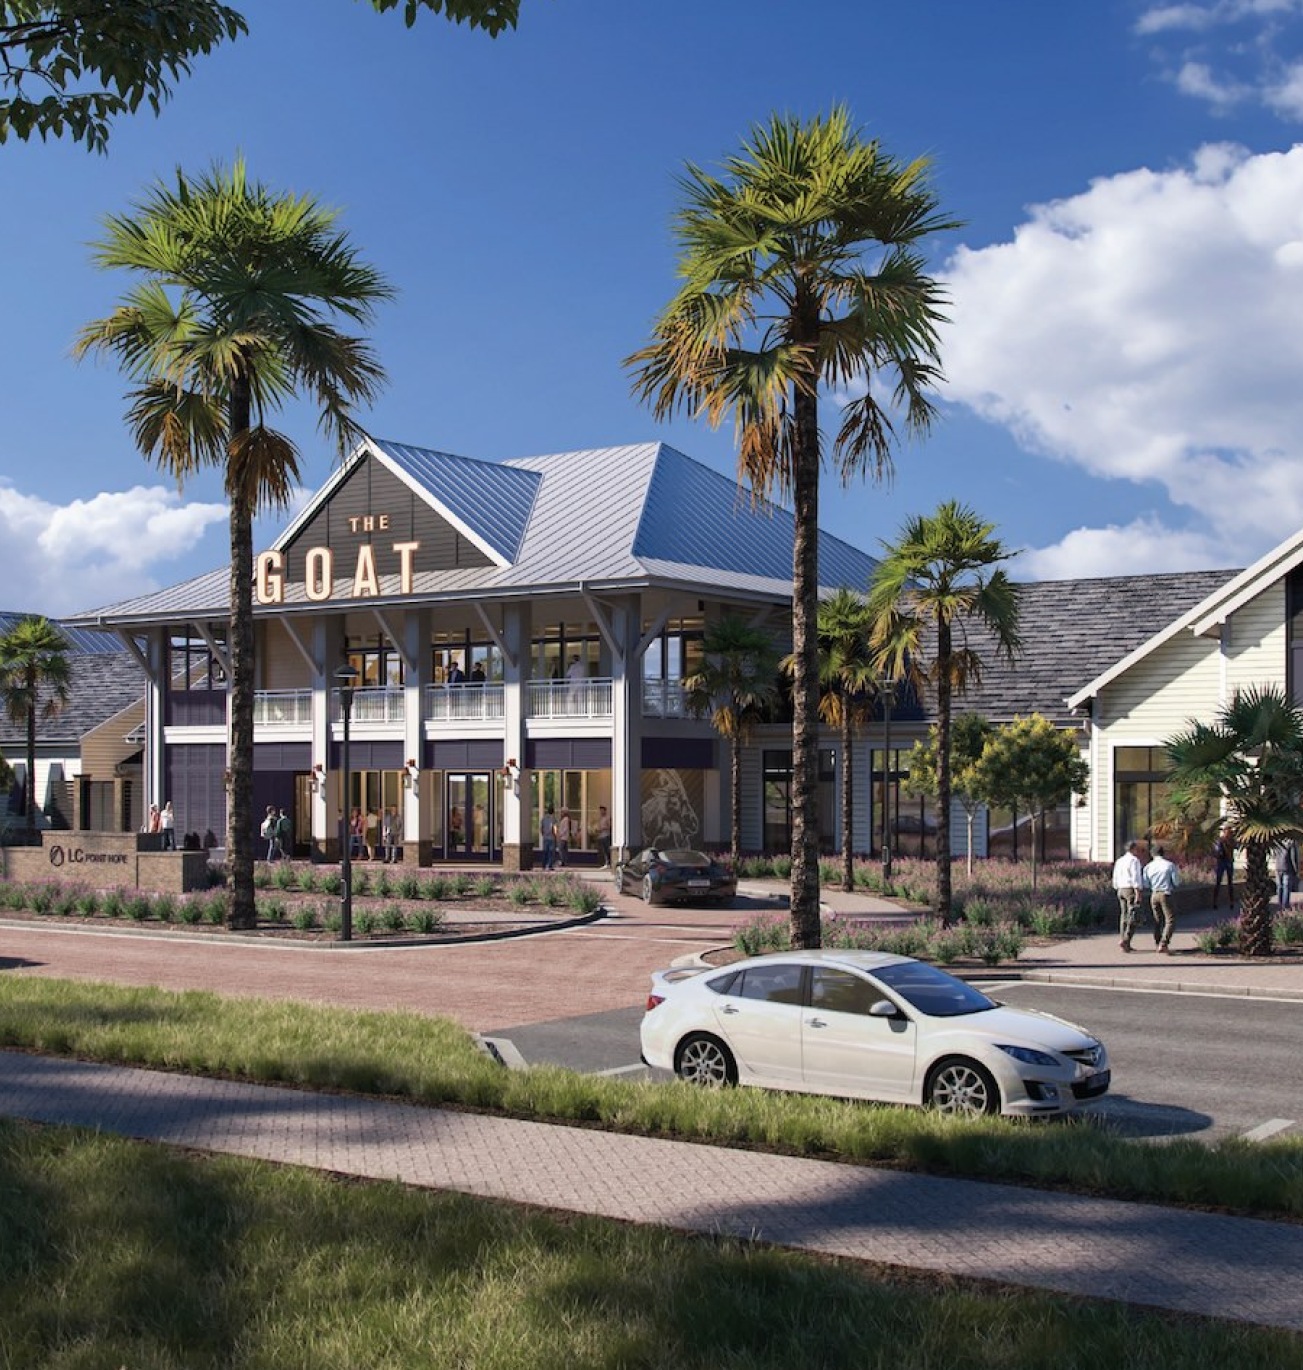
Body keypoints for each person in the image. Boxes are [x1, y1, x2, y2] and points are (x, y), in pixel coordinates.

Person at [1144, 844, 1180, 952]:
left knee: (1157, 919)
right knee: (1170, 919)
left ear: (1152, 854)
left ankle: (1157, 941)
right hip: (1166, 893)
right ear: (1163, 853)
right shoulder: (1169, 865)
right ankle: (1164, 942)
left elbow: (1146, 884)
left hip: (1154, 893)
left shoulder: (1148, 867)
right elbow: (1176, 882)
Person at [1112, 840, 1145, 952]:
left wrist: (1116, 886)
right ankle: (1126, 940)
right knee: (1133, 915)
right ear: (1133, 849)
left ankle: (1124, 939)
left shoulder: (1120, 860)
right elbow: (1135, 876)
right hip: (1130, 888)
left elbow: (1115, 875)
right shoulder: (1134, 861)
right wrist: (1138, 891)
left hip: (1120, 888)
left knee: (1124, 915)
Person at [1212, 827, 1236, 910]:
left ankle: (1231, 902)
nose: (1229, 834)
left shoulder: (1232, 841)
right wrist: (1220, 852)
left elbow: (1236, 846)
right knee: (1218, 882)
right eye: (1227, 832)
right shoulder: (1220, 841)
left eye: (1230, 833)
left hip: (1229, 861)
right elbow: (1216, 851)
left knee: (1230, 883)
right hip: (1221, 861)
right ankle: (1215, 902)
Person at [1274, 836, 1299, 911]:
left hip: (1278, 867)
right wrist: (1296, 870)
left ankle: (1279, 905)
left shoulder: (1277, 841)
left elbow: (1274, 855)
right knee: (1286, 887)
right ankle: (1285, 906)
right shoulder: (1291, 843)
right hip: (1287, 867)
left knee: (1279, 887)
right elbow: (1293, 857)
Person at [593, 804, 612, 869]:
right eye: (600, 810)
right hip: (600, 836)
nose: (601, 812)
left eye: (602, 810)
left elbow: (609, 826)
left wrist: (603, 828)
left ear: (605, 811)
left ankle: (608, 863)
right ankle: (604, 863)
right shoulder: (600, 818)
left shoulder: (607, 818)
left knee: (607, 850)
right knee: (603, 850)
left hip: (606, 835)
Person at [539, 804, 557, 870]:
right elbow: (554, 828)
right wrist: (555, 835)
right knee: (551, 852)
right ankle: (550, 865)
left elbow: (541, 828)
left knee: (545, 851)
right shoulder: (553, 819)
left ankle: (543, 865)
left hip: (545, 837)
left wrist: (543, 834)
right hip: (551, 837)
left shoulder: (544, 818)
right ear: (553, 812)